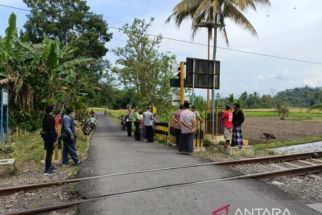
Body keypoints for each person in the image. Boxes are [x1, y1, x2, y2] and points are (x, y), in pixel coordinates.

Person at [41, 105, 58, 175]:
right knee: (49, 153)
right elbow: (52, 130)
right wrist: (54, 139)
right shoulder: (51, 118)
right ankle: (47, 169)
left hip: (46, 137)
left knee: (49, 153)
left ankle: (49, 166)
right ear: (51, 110)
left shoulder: (45, 117)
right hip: (49, 138)